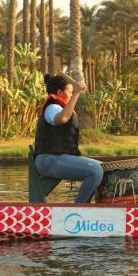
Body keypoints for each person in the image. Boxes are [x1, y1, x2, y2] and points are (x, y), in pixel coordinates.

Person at [33, 73, 105, 203]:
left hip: (57, 158)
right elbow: (62, 119)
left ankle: (100, 206)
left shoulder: (59, 107)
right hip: (49, 160)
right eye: (70, 92)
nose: (72, 95)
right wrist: (77, 92)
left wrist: (75, 92)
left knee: (105, 168)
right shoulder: (52, 107)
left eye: (73, 93)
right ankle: (80, 210)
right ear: (60, 92)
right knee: (95, 171)